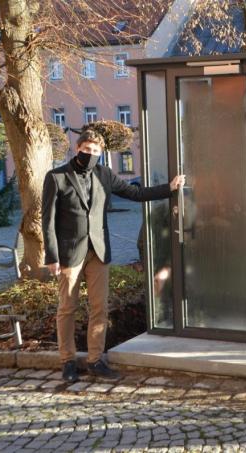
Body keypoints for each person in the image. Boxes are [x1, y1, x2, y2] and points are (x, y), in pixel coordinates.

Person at [42, 129, 185, 383]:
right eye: (87, 149)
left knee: (99, 308)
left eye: (96, 151)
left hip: (99, 251)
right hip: (69, 253)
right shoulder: (56, 177)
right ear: (78, 148)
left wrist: (169, 188)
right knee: (67, 308)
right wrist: (52, 257)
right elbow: (48, 221)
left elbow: (135, 194)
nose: (91, 154)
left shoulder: (104, 174)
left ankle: (95, 360)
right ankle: (67, 361)